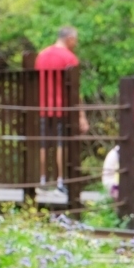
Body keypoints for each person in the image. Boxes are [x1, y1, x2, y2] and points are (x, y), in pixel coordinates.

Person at [36, 26, 89, 192]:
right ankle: (60, 181)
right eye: (75, 40)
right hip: (63, 108)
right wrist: (81, 116)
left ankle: (42, 179)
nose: (76, 43)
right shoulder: (70, 58)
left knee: (43, 144)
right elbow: (75, 90)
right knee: (61, 144)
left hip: (42, 107)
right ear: (70, 39)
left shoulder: (41, 55)